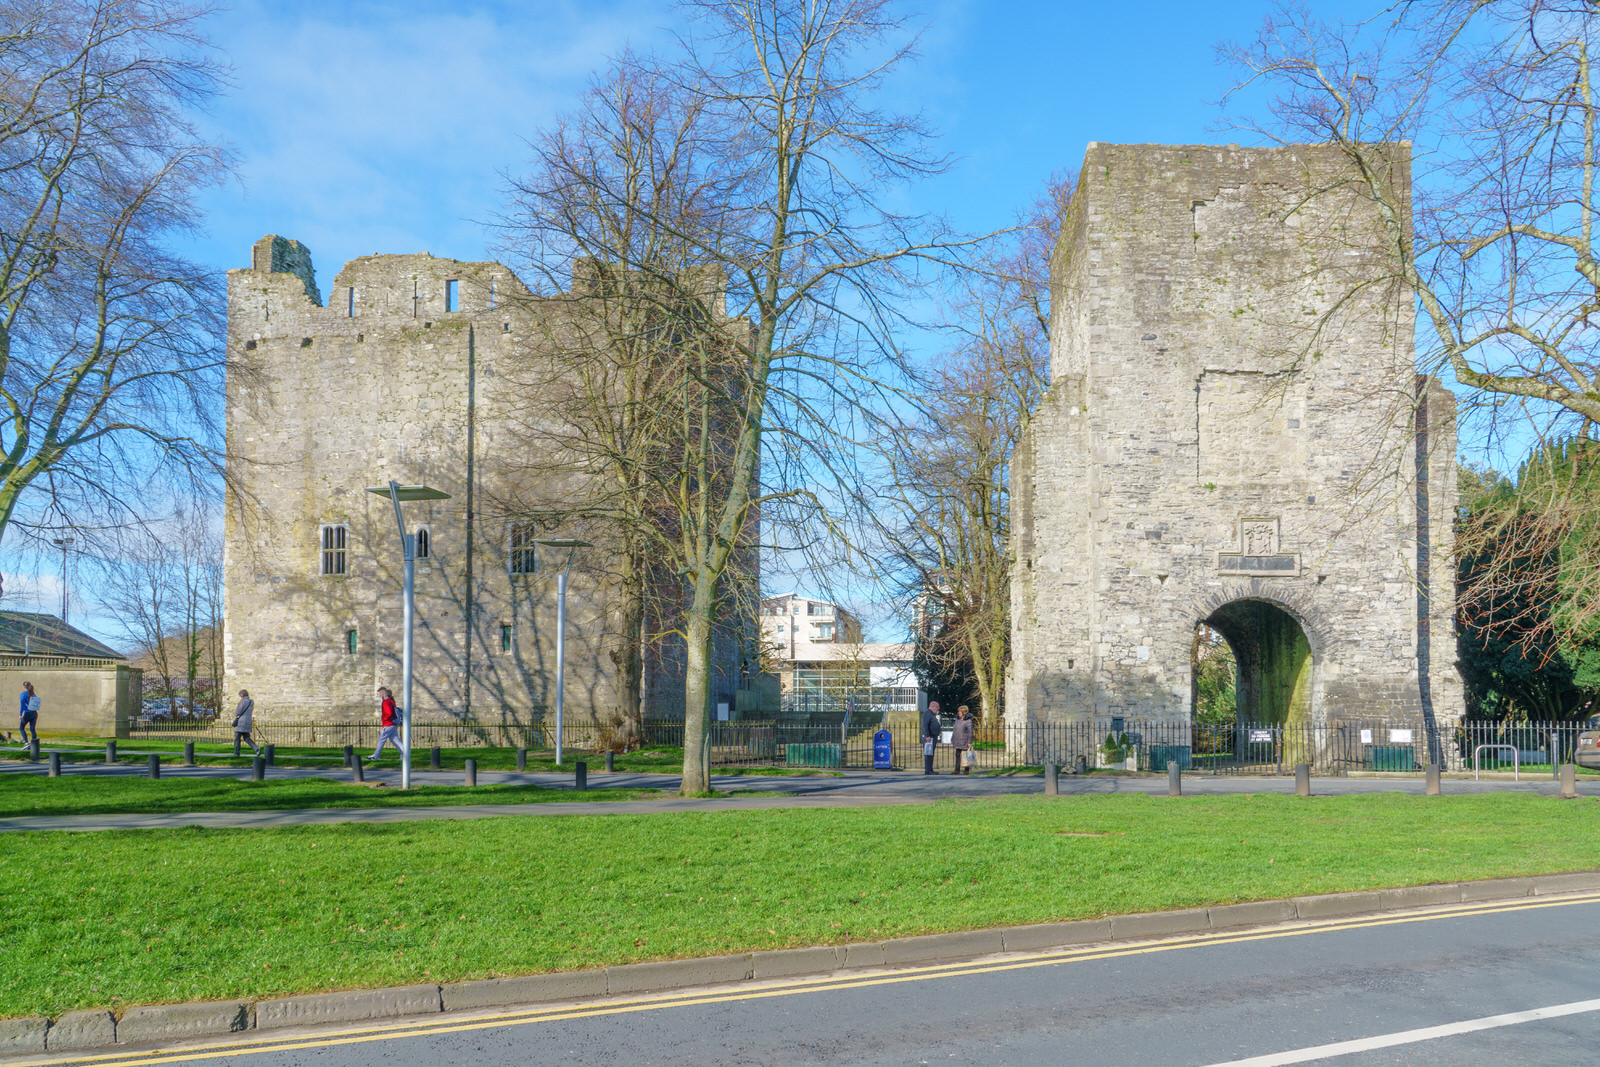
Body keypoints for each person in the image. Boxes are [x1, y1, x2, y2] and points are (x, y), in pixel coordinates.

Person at [369, 687, 401, 761]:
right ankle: (405, 754)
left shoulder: (386, 702)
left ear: (383, 693)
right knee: (396, 740)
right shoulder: (391, 701)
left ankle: (376, 756)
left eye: (380, 693)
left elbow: (389, 713)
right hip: (392, 724)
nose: (380, 695)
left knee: (381, 740)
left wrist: (385, 719)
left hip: (388, 724)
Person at [232, 690, 261, 756]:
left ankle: (237, 752)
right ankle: (256, 748)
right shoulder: (251, 702)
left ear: (241, 695)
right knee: (246, 737)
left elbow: (238, 712)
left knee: (237, 737)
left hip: (241, 722)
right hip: (248, 721)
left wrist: (235, 714)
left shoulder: (242, 702)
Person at [951, 704, 975, 776]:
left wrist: (969, 742)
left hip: (965, 740)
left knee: (966, 756)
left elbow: (970, 732)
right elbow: (955, 730)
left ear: (964, 713)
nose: (959, 713)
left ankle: (966, 770)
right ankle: (957, 769)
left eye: (960, 712)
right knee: (957, 755)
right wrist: (953, 738)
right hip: (957, 740)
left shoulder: (968, 721)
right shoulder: (957, 720)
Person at [921, 699, 943, 775]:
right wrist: (927, 735)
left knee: (931, 753)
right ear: (933, 707)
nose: (938, 709)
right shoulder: (927, 714)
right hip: (929, 737)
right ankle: (928, 770)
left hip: (932, 736)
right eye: (937, 707)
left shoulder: (931, 714)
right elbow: (925, 725)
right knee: (928, 754)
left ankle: (930, 769)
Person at [18, 682, 40, 747]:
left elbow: (22, 705)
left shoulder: (22, 694)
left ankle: (26, 743)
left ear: (24, 687)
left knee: (21, 728)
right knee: (32, 729)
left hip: (27, 713)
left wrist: (20, 714)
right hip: (34, 713)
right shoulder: (33, 694)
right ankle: (35, 744)